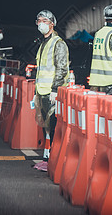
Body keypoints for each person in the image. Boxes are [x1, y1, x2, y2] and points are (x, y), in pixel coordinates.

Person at [33, 10, 69, 171]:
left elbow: (62, 68)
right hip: (41, 92)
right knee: (46, 127)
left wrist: (55, 89)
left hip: (51, 93)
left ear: (52, 24)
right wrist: (36, 92)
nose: (41, 23)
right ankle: (48, 160)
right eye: (38, 20)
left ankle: (54, 161)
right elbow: (41, 70)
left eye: (44, 20)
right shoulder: (42, 44)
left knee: (53, 127)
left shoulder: (58, 43)